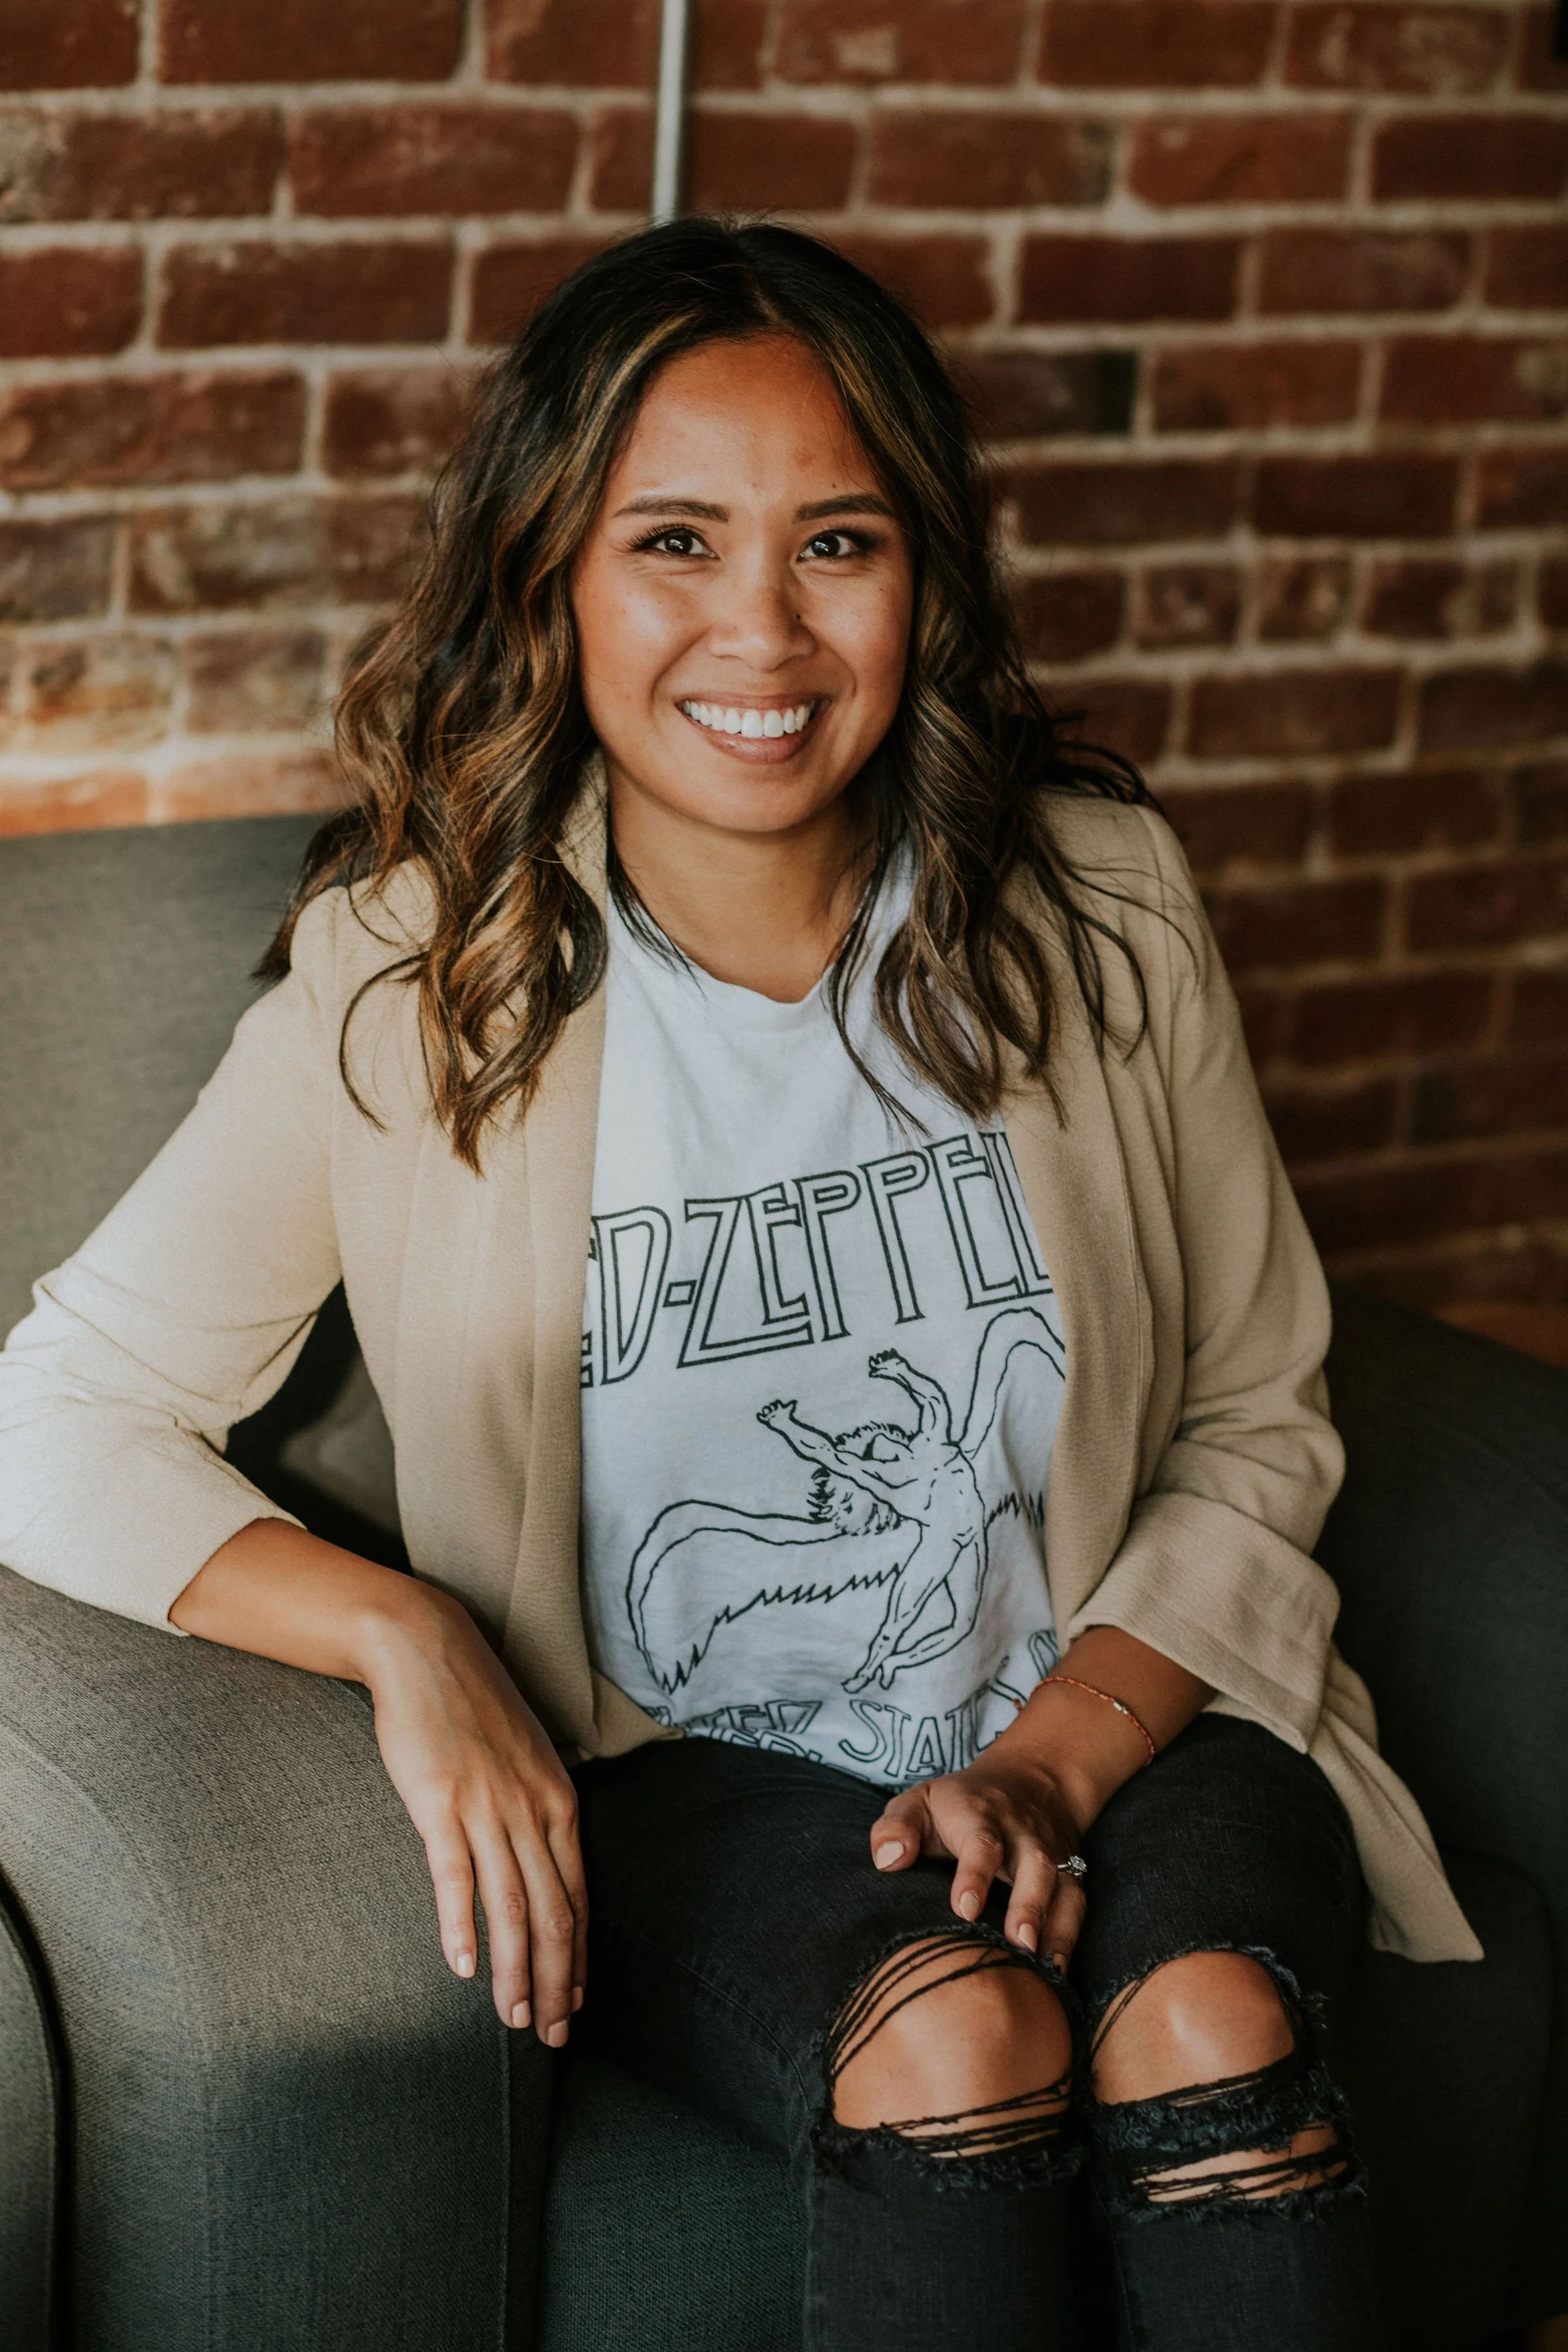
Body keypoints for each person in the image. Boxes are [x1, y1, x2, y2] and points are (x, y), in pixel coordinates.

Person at [0, 218, 1479, 2352]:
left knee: (1212, 2031)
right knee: (957, 2038)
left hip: (1128, 1711)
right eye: (674, 542)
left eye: (838, 542)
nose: (762, 630)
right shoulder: (417, 981)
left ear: (926, 576)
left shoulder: (1106, 909)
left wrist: (1053, 1765)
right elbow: (55, 1414)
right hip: (694, 1783)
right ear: (552, 576)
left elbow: (1261, 1408)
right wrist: (405, 1637)